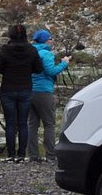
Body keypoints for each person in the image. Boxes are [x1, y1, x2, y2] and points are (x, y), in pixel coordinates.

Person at [0, 24, 43, 162]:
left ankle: (11, 154)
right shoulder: (31, 50)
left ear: (10, 35)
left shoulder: (6, 50)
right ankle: (21, 154)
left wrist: (7, 68)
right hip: (25, 89)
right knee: (23, 123)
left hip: (8, 89)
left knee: (10, 123)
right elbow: (38, 69)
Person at [27, 29, 70, 164]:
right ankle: (50, 155)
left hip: (30, 91)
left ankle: (33, 155)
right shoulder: (46, 54)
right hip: (44, 91)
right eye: (50, 39)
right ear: (45, 40)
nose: (52, 41)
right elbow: (51, 71)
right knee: (49, 124)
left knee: (32, 124)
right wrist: (64, 63)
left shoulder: (29, 52)